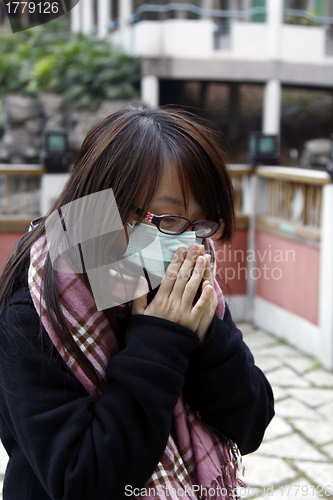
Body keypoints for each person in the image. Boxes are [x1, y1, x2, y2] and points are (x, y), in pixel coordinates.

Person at [0, 106, 274, 500]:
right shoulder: (37, 311)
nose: (188, 244)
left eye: (199, 224)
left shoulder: (189, 281)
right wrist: (160, 342)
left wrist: (203, 334)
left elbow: (253, 423)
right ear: (104, 207)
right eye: (169, 220)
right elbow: (83, 480)